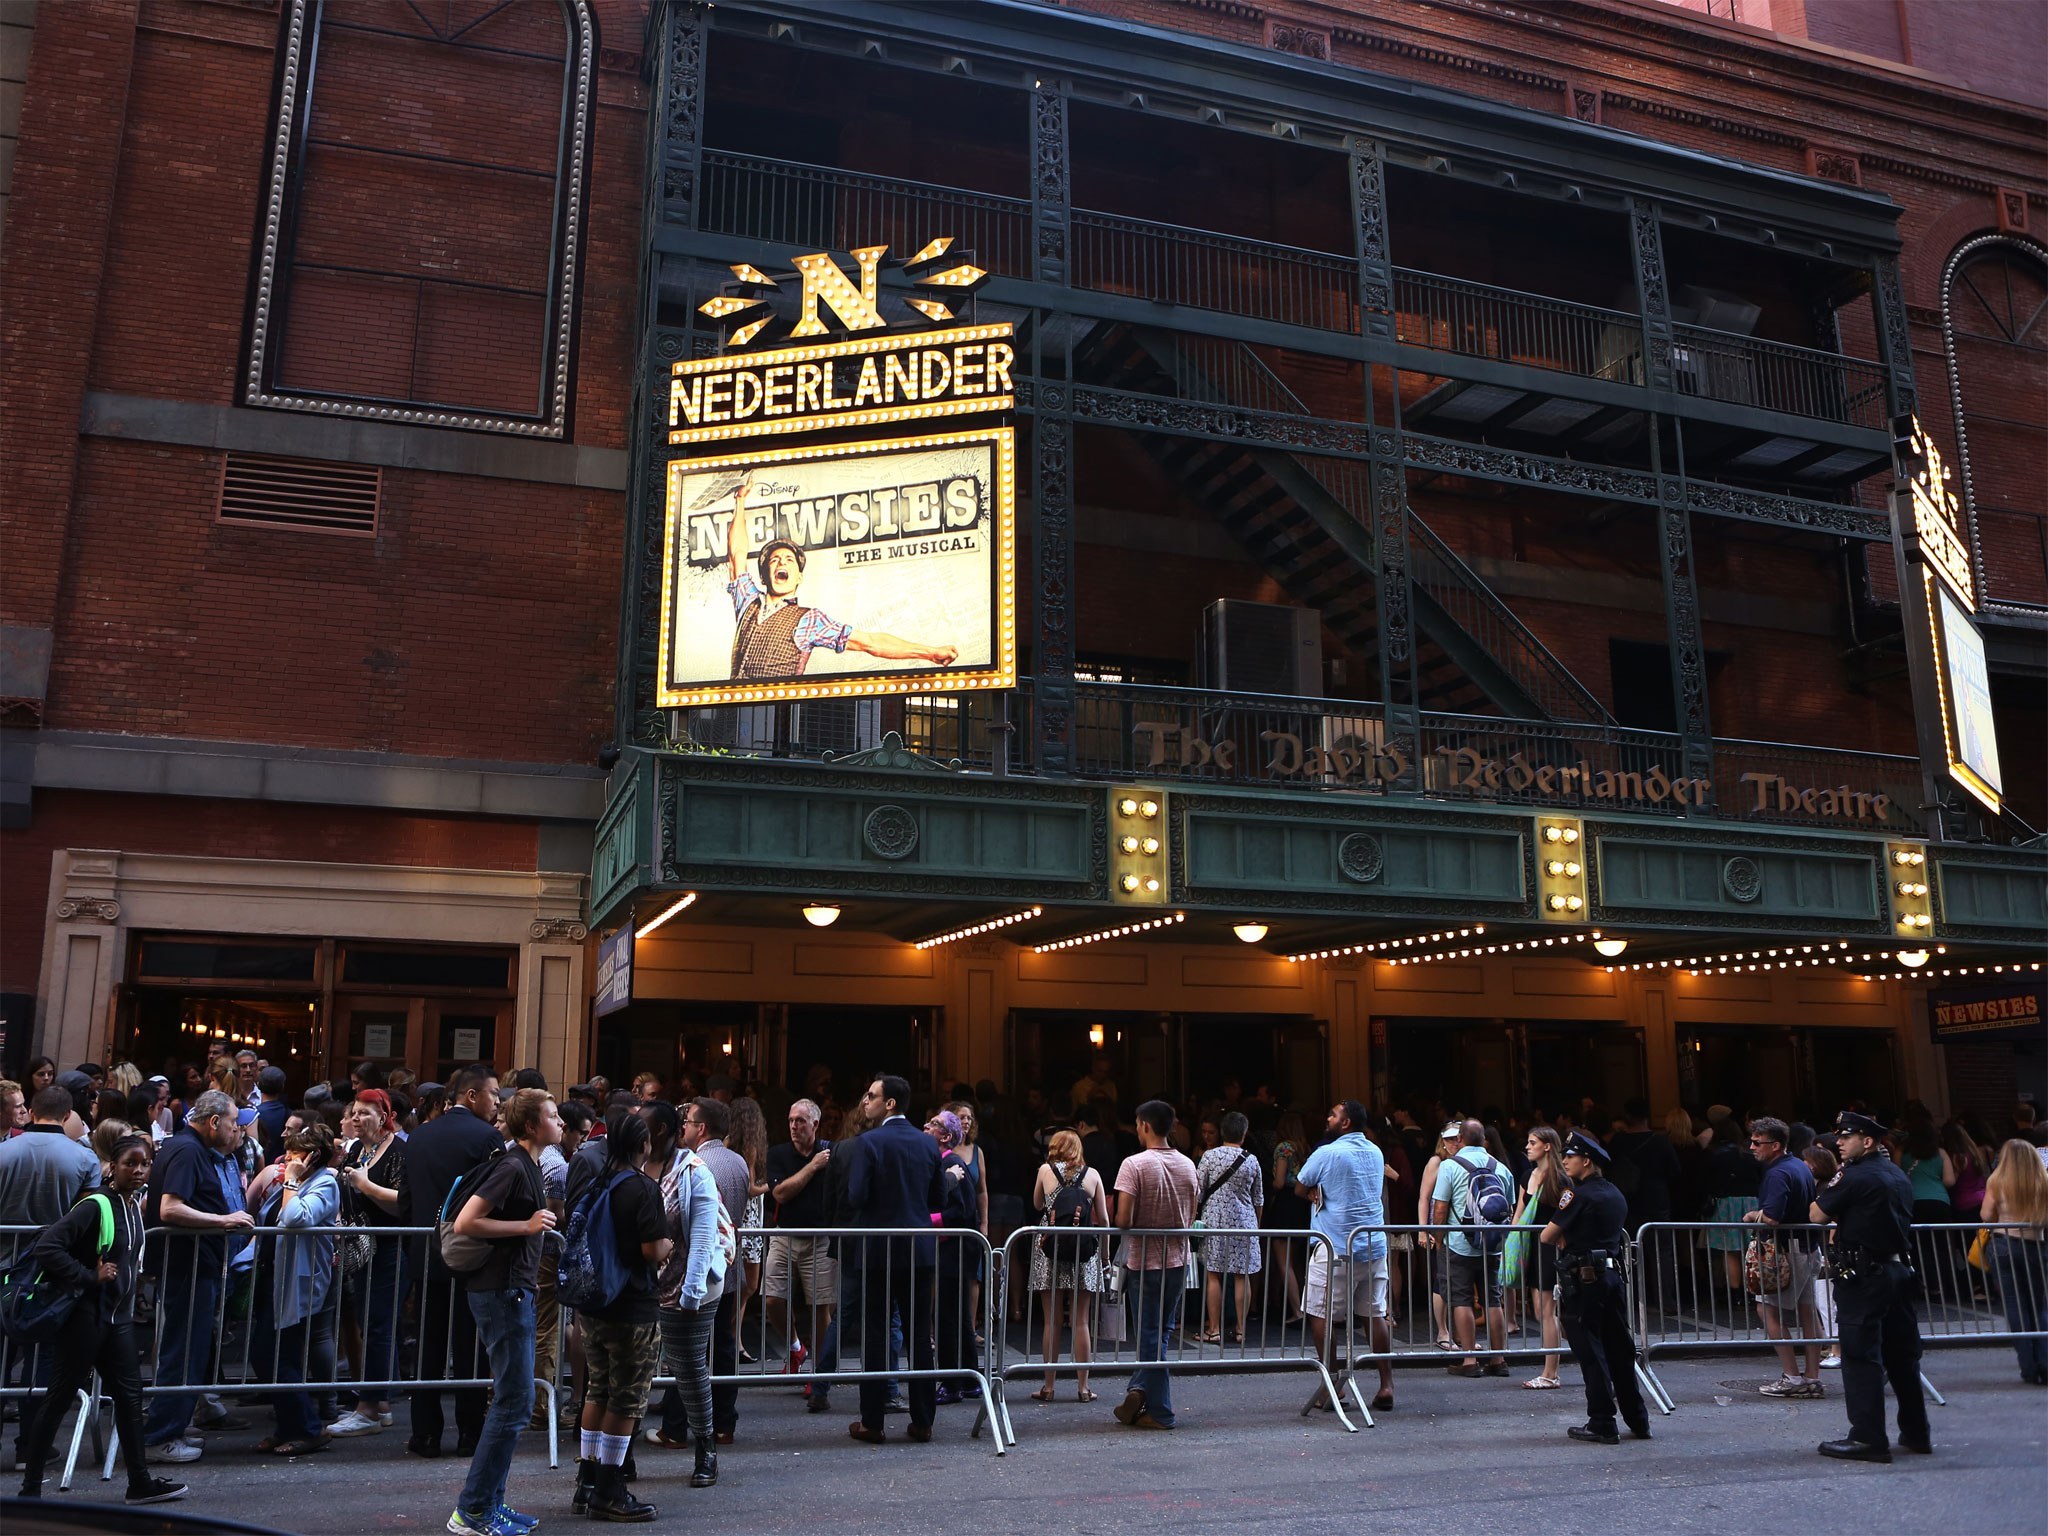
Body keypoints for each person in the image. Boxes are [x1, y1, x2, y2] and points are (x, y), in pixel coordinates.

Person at [13, 1132, 185, 1505]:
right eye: (130, 1164)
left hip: (115, 1320)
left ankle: (139, 1482)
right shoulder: (96, 1204)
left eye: (144, 1164)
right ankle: (29, 1490)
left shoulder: (131, 1204)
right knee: (59, 1398)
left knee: (128, 1396)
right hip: (86, 1318)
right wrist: (88, 1276)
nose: (139, 1171)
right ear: (113, 1167)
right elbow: (47, 1246)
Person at [445, 1086, 560, 1536]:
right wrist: (526, 1225)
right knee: (514, 1401)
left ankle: (489, 1503)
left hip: (512, 1292)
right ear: (532, 1125)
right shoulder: (513, 1164)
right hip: (502, 1293)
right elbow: (467, 1221)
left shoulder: (525, 1164)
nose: (561, 1122)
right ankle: (473, 1511)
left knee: (515, 1399)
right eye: (553, 1116)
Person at [724, 476, 958, 681]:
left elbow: (870, 643)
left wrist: (930, 653)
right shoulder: (747, 601)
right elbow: (737, 553)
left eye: (789, 560)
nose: (781, 562)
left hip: (775, 712)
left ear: (799, 577)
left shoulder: (810, 620)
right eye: (774, 560)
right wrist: (740, 500)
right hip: (732, 708)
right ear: (764, 576)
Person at [141, 1088, 256, 1464]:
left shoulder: (186, 1148)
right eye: (233, 1121)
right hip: (186, 1268)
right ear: (213, 1122)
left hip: (192, 1266)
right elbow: (170, 1208)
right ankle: (161, 1437)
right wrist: (225, 1219)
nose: (237, 1128)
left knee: (187, 1351)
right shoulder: (189, 1151)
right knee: (182, 1352)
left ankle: (170, 1429)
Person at [1810, 1110, 1930, 1463]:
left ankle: (1867, 1438)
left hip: (1865, 1276)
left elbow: (1816, 1215)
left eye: (1846, 1138)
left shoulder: (1854, 1176)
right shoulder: (1894, 1173)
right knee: (1902, 1357)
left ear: (1867, 1141)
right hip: (1897, 1271)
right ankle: (1916, 1432)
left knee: (1861, 1357)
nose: (1839, 1144)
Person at [399, 1064, 504, 1461]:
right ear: (471, 1096)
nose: (498, 1102)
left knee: (427, 1345)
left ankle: (424, 1433)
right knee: (469, 1349)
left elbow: (407, 1200)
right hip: (470, 1255)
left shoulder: (419, 1137)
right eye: (493, 1094)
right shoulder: (487, 1137)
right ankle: (470, 1433)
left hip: (425, 1253)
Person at [569, 1110, 668, 1523]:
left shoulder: (599, 1182)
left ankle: (587, 1481)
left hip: (594, 1304)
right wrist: (668, 1247)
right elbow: (651, 1249)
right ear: (643, 1145)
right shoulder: (644, 1189)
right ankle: (610, 1489)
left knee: (598, 1392)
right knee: (626, 1398)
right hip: (632, 1307)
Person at [841, 1074, 944, 1444]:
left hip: (878, 1249)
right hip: (918, 1249)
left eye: (871, 1096)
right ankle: (923, 1420)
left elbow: (855, 1196)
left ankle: (872, 1421)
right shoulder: (928, 1144)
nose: (864, 1101)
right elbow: (937, 1200)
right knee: (919, 1336)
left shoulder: (868, 1143)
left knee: (876, 1335)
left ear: (890, 1103)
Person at [1541, 1131, 1650, 1445]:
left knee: (1592, 1353)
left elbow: (1547, 1236)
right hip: (1613, 1277)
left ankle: (1602, 1422)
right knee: (1620, 1350)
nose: (1564, 1161)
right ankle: (1638, 1419)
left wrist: (1567, 1235)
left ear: (1586, 1161)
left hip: (1584, 1280)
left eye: (1570, 1156)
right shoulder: (1615, 1193)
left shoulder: (1578, 1194)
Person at [250, 1121, 343, 1457]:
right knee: (268, 1354)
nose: (288, 1156)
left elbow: (294, 1219)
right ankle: (289, 1424)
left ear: (313, 1156)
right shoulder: (297, 1182)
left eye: (296, 1152)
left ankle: (307, 1427)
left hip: (298, 1281)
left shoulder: (325, 1184)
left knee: (277, 1355)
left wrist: (290, 1177)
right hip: (274, 1277)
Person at [649, 1099, 727, 1488]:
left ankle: (706, 1448)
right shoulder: (636, 1166)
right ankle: (617, 1456)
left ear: (662, 1131)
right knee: (635, 1369)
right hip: (647, 1283)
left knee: (690, 1368)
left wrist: (691, 1293)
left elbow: (701, 1238)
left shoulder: (694, 1172)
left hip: (692, 1283)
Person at [1294, 1101, 1392, 1411]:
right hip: (1373, 1243)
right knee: (1375, 1314)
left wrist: (1313, 1192)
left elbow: (1299, 1186)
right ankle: (1386, 1384)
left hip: (1335, 1245)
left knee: (1322, 1315)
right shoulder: (1376, 1152)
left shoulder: (1327, 1152)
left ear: (1346, 1122)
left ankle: (1333, 1387)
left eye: (1333, 1114)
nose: (1328, 1117)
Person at [1111, 1098, 1199, 1431]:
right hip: (1178, 1259)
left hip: (1144, 1260)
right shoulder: (1188, 1165)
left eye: (1137, 1124)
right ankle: (1138, 1389)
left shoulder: (1133, 1165)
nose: (1135, 1130)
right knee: (1161, 1332)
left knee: (1148, 1334)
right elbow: (1191, 1213)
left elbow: (1124, 1217)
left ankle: (1161, 1410)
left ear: (1145, 1125)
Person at [330, 1088, 406, 1437]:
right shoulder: (358, 1149)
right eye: (355, 1112)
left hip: (391, 1249)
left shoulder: (400, 1152)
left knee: (379, 1325)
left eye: (365, 1112)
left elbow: (404, 1202)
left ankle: (370, 1408)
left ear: (384, 1116)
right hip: (362, 1248)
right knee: (368, 1323)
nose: (357, 1118)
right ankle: (380, 1403)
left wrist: (365, 1185)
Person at [681, 1097, 750, 1446]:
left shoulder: (695, 1163)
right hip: (729, 1267)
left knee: (692, 1349)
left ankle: (685, 1425)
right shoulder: (739, 1161)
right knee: (723, 1346)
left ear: (702, 1128)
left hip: (703, 1268)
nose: (685, 1128)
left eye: (689, 1122)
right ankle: (725, 1420)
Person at [1743, 1115, 1823, 1400]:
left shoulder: (1778, 1172)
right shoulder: (1799, 1166)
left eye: (1757, 1142)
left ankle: (1792, 1377)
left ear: (1775, 1145)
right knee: (1808, 1312)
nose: (1752, 1147)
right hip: (1807, 1248)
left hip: (1787, 1250)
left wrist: (1753, 1215)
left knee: (1768, 1310)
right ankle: (1811, 1377)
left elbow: (1773, 1216)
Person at [1028, 1128, 1108, 1403]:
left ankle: (1049, 1386)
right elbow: (1104, 1219)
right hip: (1083, 1247)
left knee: (1051, 1320)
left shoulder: (1044, 1171)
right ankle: (1083, 1387)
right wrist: (1106, 1256)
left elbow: (1038, 1204)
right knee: (1081, 1320)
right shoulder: (1093, 1174)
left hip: (1049, 1245)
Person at [763, 1098, 835, 1391]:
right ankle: (795, 1348)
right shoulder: (779, 1154)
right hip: (785, 1235)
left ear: (815, 1125)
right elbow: (779, 1193)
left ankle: (818, 1375)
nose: (794, 1126)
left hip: (820, 1238)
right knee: (771, 1299)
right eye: (791, 1120)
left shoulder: (832, 1152)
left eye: (800, 1121)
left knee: (820, 1307)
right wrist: (813, 1167)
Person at [1432, 1119, 1511, 1377]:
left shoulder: (1450, 1166)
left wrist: (1438, 1237)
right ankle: (1498, 1360)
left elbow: (1440, 1207)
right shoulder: (1499, 1167)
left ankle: (1469, 1360)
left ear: (1460, 1139)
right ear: (1484, 1140)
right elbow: (1506, 1207)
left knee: (1461, 1300)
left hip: (1458, 1243)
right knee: (1493, 1298)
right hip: (1492, 1244)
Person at [1979, 1137, 2048, 1385]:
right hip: (2037, 1245)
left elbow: (1985, 1214)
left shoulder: (1997, 1181)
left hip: (2004, 1244)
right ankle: (2045, 1363)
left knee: (2014, 1305)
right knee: (2039, 1304)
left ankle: (2028, 1368)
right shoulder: (2043, 1180)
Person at [926, 1110, 981, 1404]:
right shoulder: (943, 1163)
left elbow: (960, 1212)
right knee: (955, 1316)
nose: (926, 1126)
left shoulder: (951, 1163)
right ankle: (969, 1379)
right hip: (952, 1249)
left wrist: (927, 1220)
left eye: (933, 1124)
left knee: (948, 1316)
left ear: (945, 1136)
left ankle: (951, 1382)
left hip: (956, 1250)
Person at [1196, 1111, 1263, 1346]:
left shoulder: (1209, 1157)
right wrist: (1256, 1224)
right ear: (1244, 1134)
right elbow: (1258, 1198)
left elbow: (1198, 1191)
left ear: (1222, 1132)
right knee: (1241, 1276)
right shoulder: (1252, 1160)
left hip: (1214, 1221)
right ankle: (1241, 1329)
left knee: (1213, 1274)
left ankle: (1213, 1329)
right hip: (1244, 1222)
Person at [1519, 1125, 1569, 1390]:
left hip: (1552, 1246)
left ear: (1547, 1146)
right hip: (1532, 1247)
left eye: (1532, 1142)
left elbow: (1567, 1212)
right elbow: (1519, 1212)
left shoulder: (1560, 1178)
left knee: (1547, 1310)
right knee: (1540, 1310)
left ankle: (1550, 1373)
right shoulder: (1528, 1174)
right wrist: (1511, 1244)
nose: (1527, 1146)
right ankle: (1556, 1364)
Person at [727, 1095, 772, 1365]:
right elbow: (751, 1188)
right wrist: (774, 1185)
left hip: (734, 1219)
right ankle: (734, 1337)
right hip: (750, 1220)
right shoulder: (750, 1149)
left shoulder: (727, 1144)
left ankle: (735, 1339)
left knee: (738, 1284)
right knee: (748, 1285)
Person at [1417, 1122, 1459, 1351]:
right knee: (1440, 1280)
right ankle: (1443, 1331)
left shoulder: (1464, 1159)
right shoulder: (1437, 1161)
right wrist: (1423, 1229)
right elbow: (1424, 1197)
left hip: (1459, 1230)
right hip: (1440, 1228)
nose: (1454, 1143)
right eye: (1450, 1139)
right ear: (1442, 1140)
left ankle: (1460, 1333)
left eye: (1458, 1138)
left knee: (1458, 1281)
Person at [1264, 1110, 1310, 1323]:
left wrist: (1269, 1183)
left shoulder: (1283, 1148)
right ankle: (1304, 1304)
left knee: (1283, 1261)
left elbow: (1280, 1181)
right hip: (1301, 1204)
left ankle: (1296, 1310)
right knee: (1297, 1260)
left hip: (1284, 1203)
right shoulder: (1304, 1148)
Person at [253, 1066, 291, 1167]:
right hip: (281, 1168)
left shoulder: (252, 1115)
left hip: (258, 1170)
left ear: (258, 1084)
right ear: (282, 1087)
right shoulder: (290, 1115)